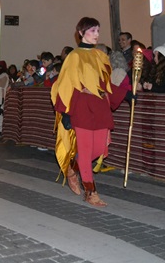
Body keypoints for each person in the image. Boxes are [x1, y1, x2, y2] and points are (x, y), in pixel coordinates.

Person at [51, 17, 129, 207]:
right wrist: (66, 113)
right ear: (81, 33)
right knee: (86, 152)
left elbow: (108, 83)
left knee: (98, 149)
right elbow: (65, 84)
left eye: (98, 31)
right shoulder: (74, 57)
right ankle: (91, 191)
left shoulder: (101, 56)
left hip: (100, 106)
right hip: (82, 106)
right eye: (92, 31)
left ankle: (72, 168)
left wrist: (125, 93)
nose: (96, 34)